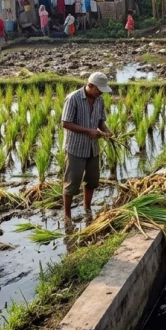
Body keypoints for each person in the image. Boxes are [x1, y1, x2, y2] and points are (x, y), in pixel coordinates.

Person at [61, 73, 114, 221]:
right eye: (99, 90)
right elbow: (65, 123)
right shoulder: (73, 98)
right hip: (75, 148)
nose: (100, 93)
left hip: (92, 148)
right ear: (90, 85)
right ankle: (67, 216)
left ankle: (87, 208)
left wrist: (106, 131)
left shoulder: (99, 100)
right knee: (72, 183)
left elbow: (100, 121)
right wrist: (89, 131)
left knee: (92, 181)